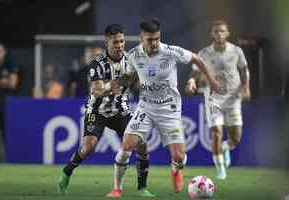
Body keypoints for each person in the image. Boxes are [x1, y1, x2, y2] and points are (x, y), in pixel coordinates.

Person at [107, 18, 222, 197]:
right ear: (141, 38)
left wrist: (212, 80)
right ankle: (117, 188)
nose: (154, 43)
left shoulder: (170, 51)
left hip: (169, 109)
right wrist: (119, 84)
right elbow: (130, 77)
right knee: (126, 147)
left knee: (179, 157)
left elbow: (198, 59)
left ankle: (176, 169)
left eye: (156, 39)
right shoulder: (134, 55)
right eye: (149, 39)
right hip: (145, 108)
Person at [58, 24, 154, 197]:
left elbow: (137, 79)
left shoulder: (130, 60)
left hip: (120, 111)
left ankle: (142, 188)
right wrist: (111, 88)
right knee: (89, 147)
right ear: (107, 42)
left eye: (122, 41)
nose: (120, 45)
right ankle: (67, 172)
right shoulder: (97, 63)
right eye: (115, 42)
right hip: (97, 111)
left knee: (141, 143)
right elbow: (97, 90)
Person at [187, 19, 250, 180]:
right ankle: (220, 169)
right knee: (216, 132)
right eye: (216, 31)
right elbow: (195, 71)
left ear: (227, 33)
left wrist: (245, 87)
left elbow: (243, 70)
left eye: (222, 31)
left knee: (236, 137)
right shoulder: (204, 53)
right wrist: (193, 81)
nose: (219, 34)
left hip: (233, 98)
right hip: (213, 99)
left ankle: (225, 147)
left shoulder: (236, 51)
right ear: (212, 34)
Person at [0, 42, 20, 162]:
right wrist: (3, 81)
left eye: (0, 51)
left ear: (4, 52)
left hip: (4, 102)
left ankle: (7, 159)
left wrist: (0, 82)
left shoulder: (9, 65)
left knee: (6, 131)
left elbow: (12, 83)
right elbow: (7, 82)